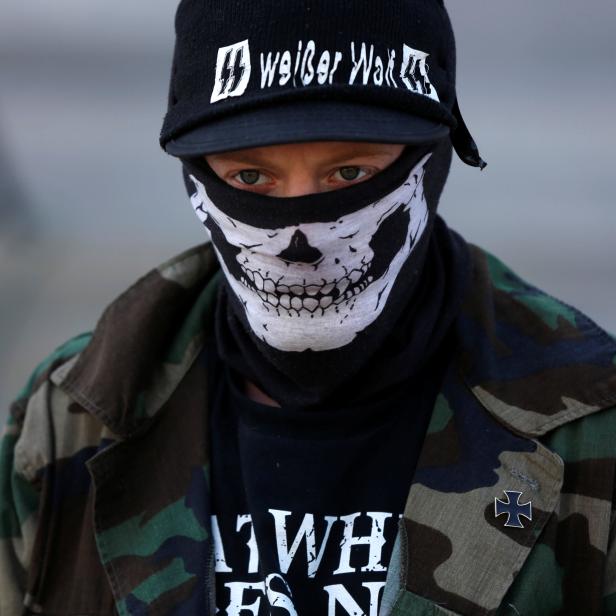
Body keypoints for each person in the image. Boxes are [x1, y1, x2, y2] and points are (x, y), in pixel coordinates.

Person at [1, 0, 615, 614]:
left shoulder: (590, 430)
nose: (301, 240)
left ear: (435, 159)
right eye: (249, 179)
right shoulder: (69, 418)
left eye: (349, 173)